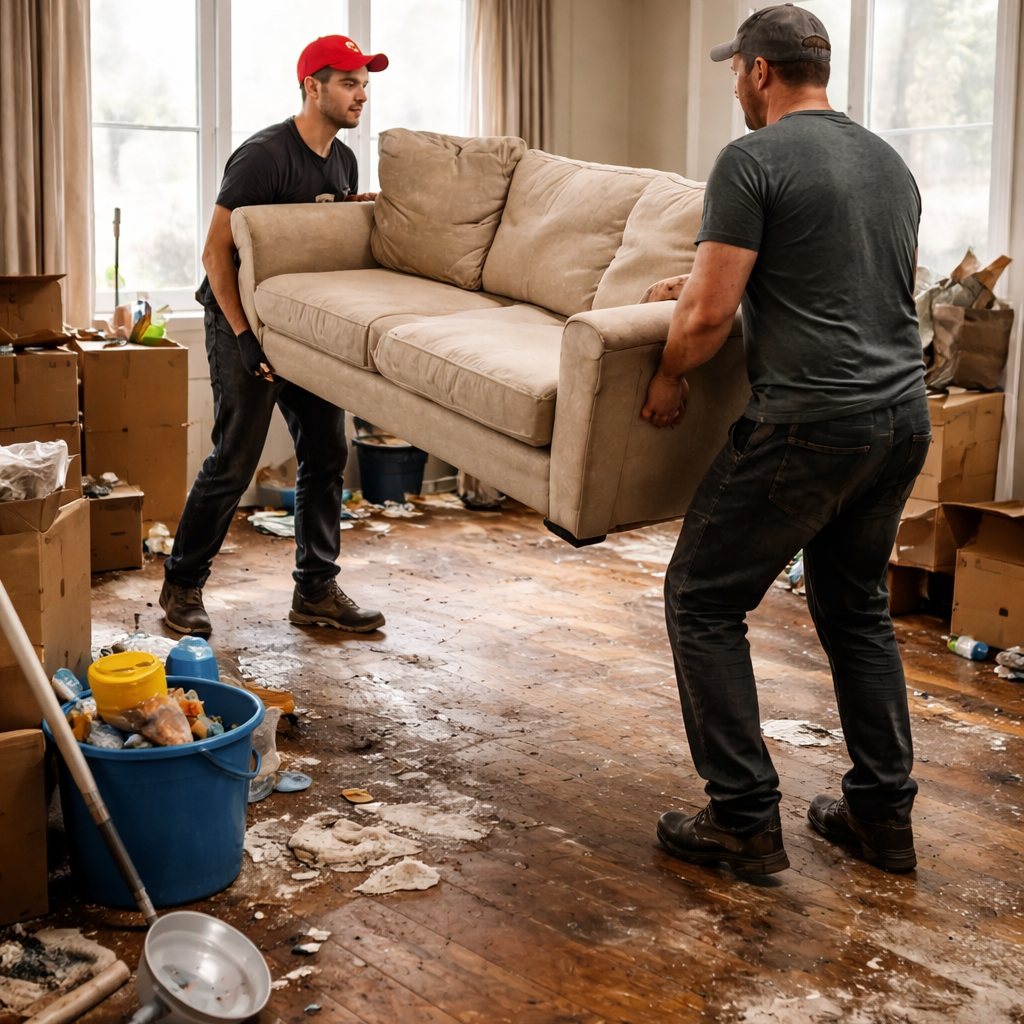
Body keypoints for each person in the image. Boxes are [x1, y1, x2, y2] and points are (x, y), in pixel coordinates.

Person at [641, 4, 929, 876]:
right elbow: (836, 278)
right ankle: (881, 818)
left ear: (760, 72)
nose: (734, 85)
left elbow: (709, 318)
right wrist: (699, 278)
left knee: (701, 598)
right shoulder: (885, 161)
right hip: (900, 420)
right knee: (856, 609)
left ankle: (742, 820)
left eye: (736, 71)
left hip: (810, 425)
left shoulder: (753, 158)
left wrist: (669, 372)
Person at [160, 35, 389, 639]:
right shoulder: (263, 156)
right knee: (235, 459)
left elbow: (318, 249)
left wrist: (356, 214)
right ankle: (181, 584)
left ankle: (315, 590)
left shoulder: (343, 161)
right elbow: (215, 251)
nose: (361, 95)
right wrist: (243, 336)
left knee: (327, 452)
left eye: (365, 84)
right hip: (241, 321)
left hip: (300, 331)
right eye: (349, 83)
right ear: (312, 86)